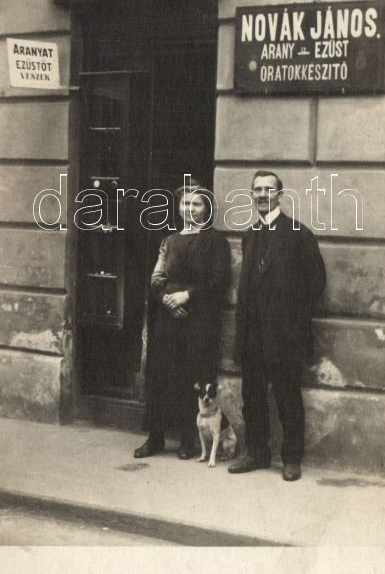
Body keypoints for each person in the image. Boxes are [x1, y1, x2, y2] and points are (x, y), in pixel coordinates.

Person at [228, 170, 326, 480]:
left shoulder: (298, 233)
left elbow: (316, 283)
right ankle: (256, 453)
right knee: (253, 397)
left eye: (268, 189)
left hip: (284, 336)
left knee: (288, 398)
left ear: (279, 195)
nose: (262, 194)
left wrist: (290, 320)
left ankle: (292, 459)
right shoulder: (250, 235)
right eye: (257, 189)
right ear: (252, 195)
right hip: (253, 335)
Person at [134, 183, 231, 460]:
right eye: (185, 203)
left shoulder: (215, 242)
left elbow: (220, 280)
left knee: (191, 376)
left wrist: (187, 296)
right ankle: (155, 438)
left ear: (206, 209)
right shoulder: (169, 241)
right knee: (160, 375)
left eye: (196, 204)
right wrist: (166, 299)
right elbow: (157, 278)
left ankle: (189, 439)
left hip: (198, 320)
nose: (190, 209)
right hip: (168, 319)